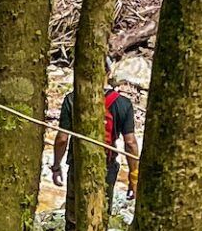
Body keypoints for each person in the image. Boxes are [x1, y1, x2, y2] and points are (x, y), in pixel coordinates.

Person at [51, 72, 138, 204]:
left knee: (74, 212)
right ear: (108, 74)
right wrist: (133, 176)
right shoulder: (123, 103)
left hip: (78, 164)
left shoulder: (72, 99)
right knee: (102, 208)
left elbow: (62, 139)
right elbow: (130, 143)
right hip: (107, 165)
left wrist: (56, 166)